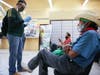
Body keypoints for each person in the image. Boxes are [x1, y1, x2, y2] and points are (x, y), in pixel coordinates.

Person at [22, 11, 100, 75]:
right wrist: (68, 47)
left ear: (88, 23)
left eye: (80, 22)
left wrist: (66, 50)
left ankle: (30, 67)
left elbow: (71, 54)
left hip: (72, 66)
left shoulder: (90, 34)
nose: (78, 24)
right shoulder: (93, 34)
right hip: (76, 65)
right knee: (43, 59)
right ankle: (31, 67)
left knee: (43, 53)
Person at [6, 0, 31, 75]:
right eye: (23, 6)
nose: (23, 8)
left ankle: (19, 67)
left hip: (19, 35)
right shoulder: (11, 10)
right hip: (13, 35)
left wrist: (25, 24)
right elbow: (11, 23)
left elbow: (18, 25)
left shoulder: (18, 13)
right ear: (19, 4)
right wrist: (23, 21)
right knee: (13, 53)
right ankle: (12, 71)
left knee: (19, 53)